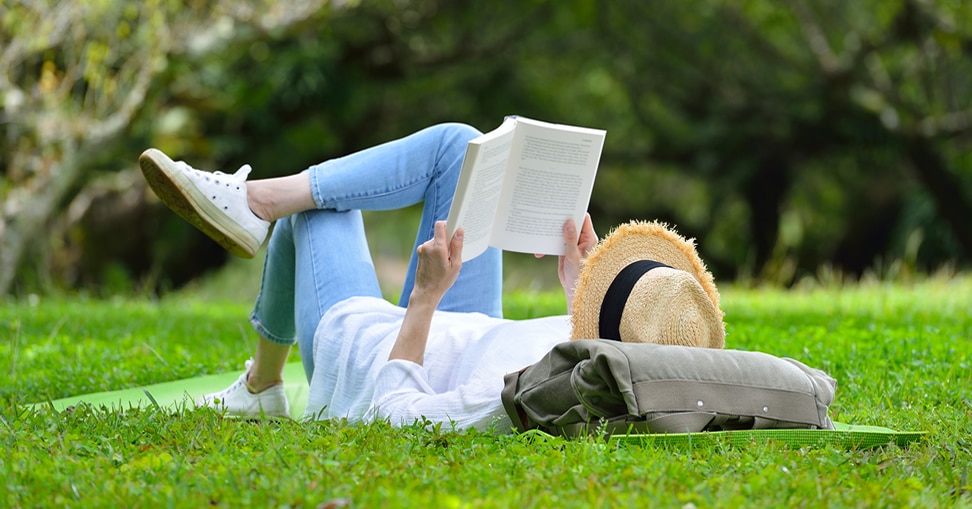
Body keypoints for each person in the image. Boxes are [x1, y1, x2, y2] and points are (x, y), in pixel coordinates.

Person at [139, 122, 726, 432]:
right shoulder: (637, 362)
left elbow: (398, 414)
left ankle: (258, 207)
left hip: (374, 354)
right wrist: (578, 291)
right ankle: (257, 212)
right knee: (458, 146)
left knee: (319, 209)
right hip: (470, 327)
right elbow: (584, 353)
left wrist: (424, 299)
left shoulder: (530, 396)